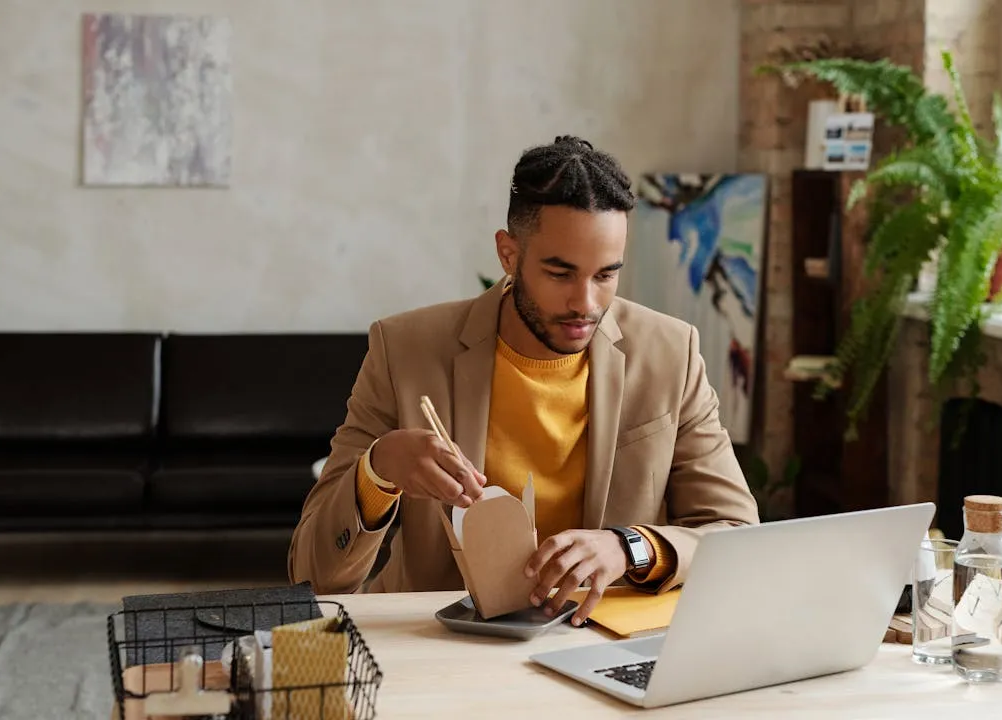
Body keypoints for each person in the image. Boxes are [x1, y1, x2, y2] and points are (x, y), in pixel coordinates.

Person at [288, 135, 760, 627]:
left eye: (606, 275)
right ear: (508, 255)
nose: (587, 303)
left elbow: (736, 533)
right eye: (561, 273)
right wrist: (378, 470)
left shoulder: (670, 353)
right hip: (436, 641)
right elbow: (314, 575)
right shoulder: (403, 351)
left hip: (596, 641)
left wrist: (629, 548)